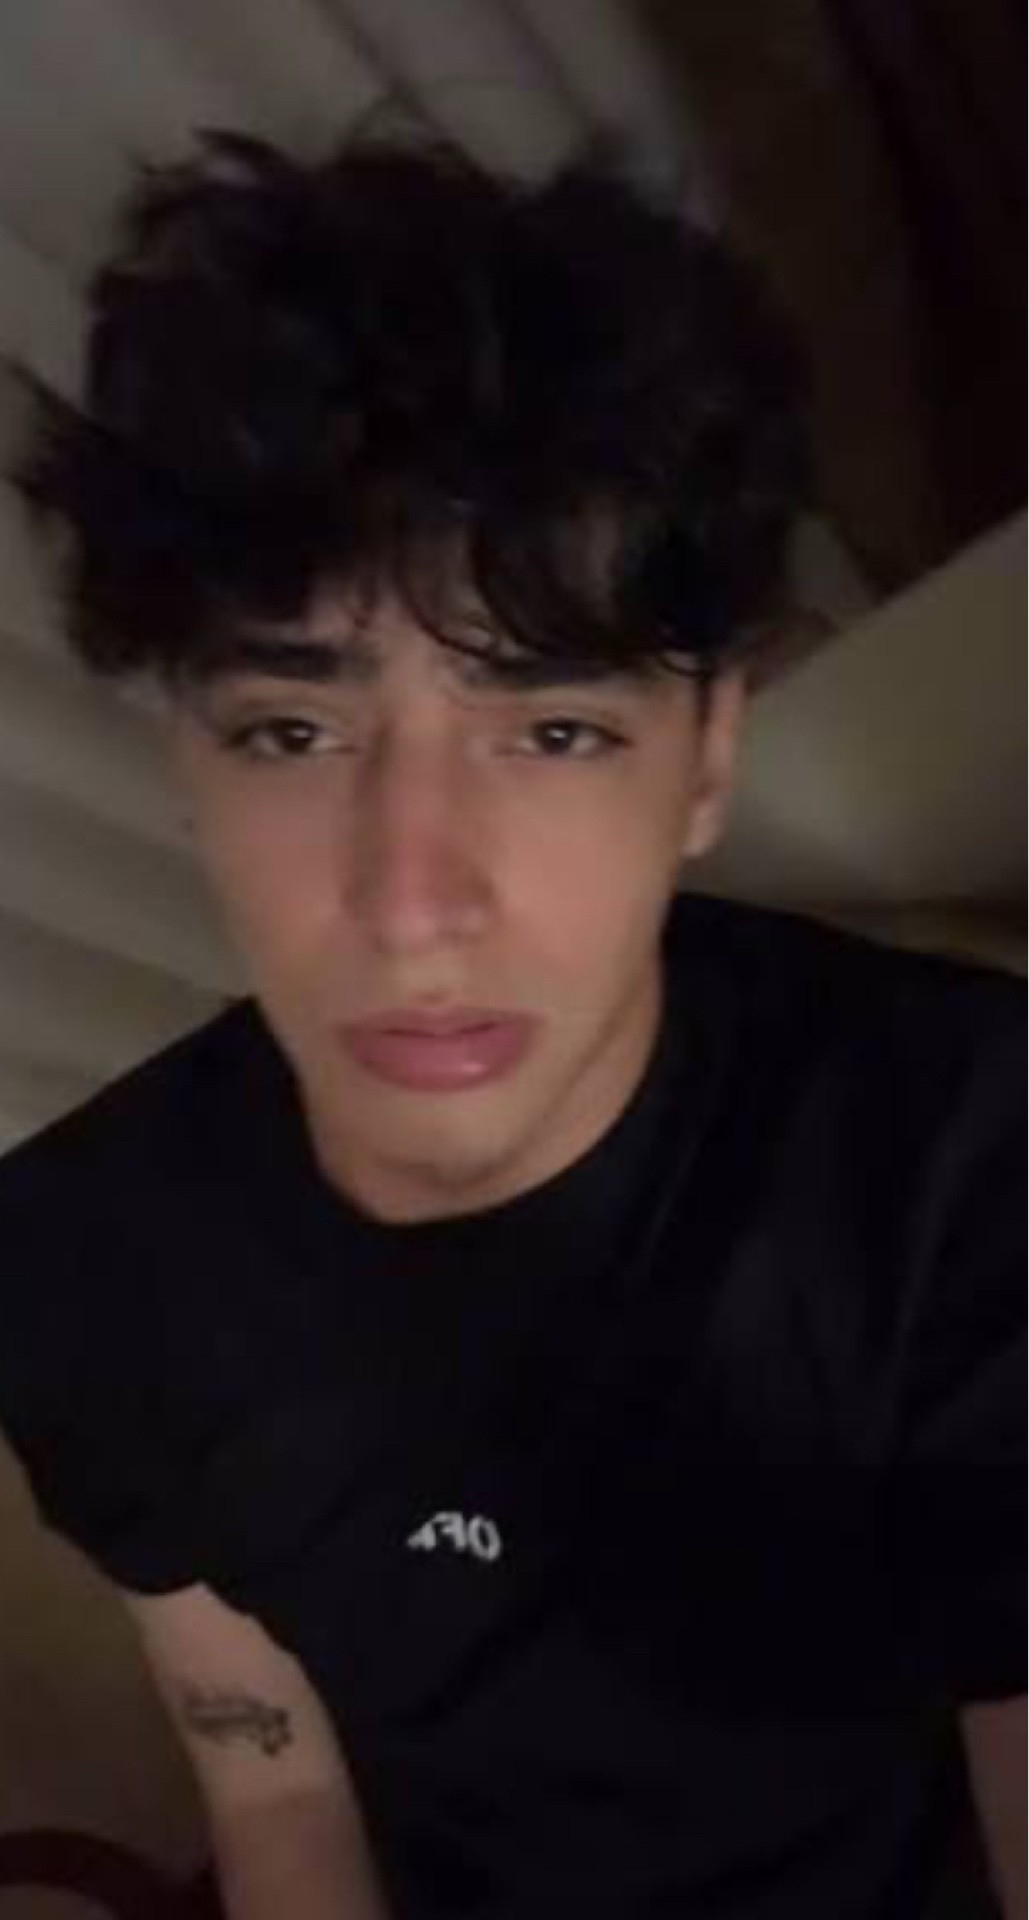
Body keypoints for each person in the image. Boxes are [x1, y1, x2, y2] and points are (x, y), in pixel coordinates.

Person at [0, 128, 1023, 1920]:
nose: (413, 905)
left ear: (704, 758)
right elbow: (274, 1780)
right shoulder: (75, 1259)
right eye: (293, 733)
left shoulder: (963, 1163)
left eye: (552, 731)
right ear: (186, 763)